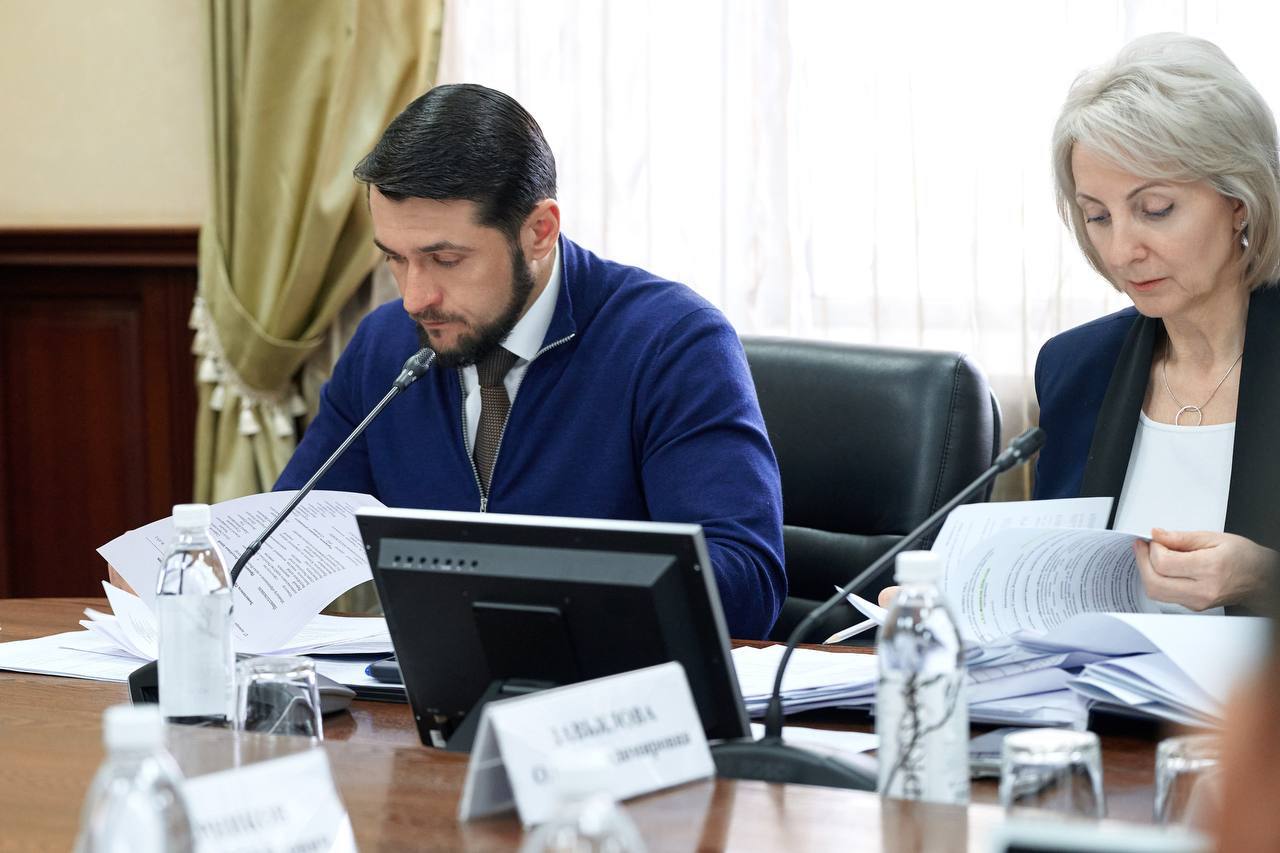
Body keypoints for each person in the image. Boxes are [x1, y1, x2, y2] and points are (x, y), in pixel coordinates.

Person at [273, 84, 786, 639]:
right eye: (396, 259)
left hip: (609, 682)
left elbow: (746, 586)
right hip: (434, 682)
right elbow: (280, 544)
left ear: (539, 232)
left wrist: (549, 588)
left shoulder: (672, 342)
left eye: (446, 259)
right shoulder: (384, 347)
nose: (416, 298)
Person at [1034, 33, 1280, 615]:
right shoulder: (1076, 367)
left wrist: (1264, 578)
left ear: (1238, 201)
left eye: (1156, 209)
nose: (1122, 251)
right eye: (1098, 216)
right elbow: (1055, 583)